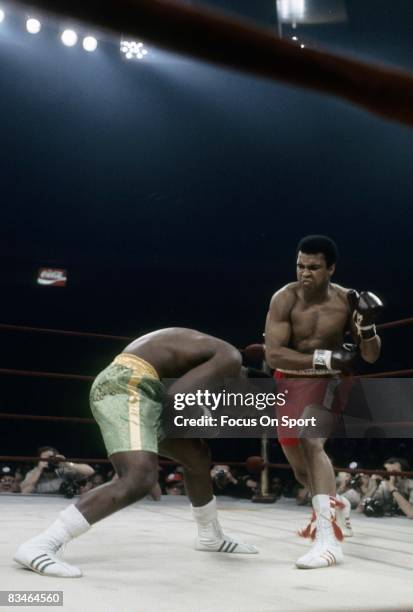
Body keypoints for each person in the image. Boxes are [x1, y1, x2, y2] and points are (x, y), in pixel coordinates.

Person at [15, 328, 258, 578]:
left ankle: (210, 535)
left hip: (145, 391)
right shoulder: (229, 357)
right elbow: (176, 401)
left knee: (197, 455)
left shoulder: (209, 357)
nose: (234, 412)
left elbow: (172, 403)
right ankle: (41, 544)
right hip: (129, 384)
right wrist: (206, 423)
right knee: (139, 478)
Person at [264, 235, 382, 568]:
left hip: (330, 382)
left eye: (314, 267)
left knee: (310, 441)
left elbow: (370, 356)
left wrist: (368, 327)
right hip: (290, 378)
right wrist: (326, 358)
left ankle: (329, 543)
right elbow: (274, 354)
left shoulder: (347, 300)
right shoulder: (284, 299)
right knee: (303, 471)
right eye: (301, 265)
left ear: (331, 268)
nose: (305, 273)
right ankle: (338, 502)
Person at [20, 447, 95, 495]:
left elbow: (90, 471)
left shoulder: (63, 471)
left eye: (51, 458)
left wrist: (67, 463)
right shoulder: (33, 473)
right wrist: (39, 469)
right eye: (45, 459)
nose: (49, 461)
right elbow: (25, 492)